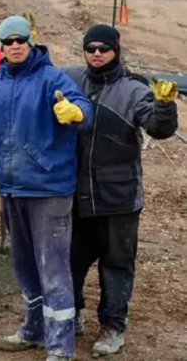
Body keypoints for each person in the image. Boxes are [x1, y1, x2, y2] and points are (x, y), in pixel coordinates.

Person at [0, 15, 93, 361]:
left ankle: (60, 346)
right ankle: (32, 328)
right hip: (12, 187)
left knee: (53, 267)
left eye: (20, 40)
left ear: (31, 41)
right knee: (25, 264)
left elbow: (85, 109)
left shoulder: (51, 79)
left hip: (50, 189)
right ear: (0, 46)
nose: (15, 46)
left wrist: (76, 111)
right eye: (8, 41)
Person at [65, 24, 178, 357]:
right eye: (90, 48)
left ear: (116, 50)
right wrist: (33, 47)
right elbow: (36, 78)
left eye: (103, 48)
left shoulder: (134, 91)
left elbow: (160, 129)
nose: (96, 53)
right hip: (78, 194)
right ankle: (71, 316)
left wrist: (164, 106)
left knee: (116, 265)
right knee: (70, 260)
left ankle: (113, 326)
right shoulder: (72, 80)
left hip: (120, 199)